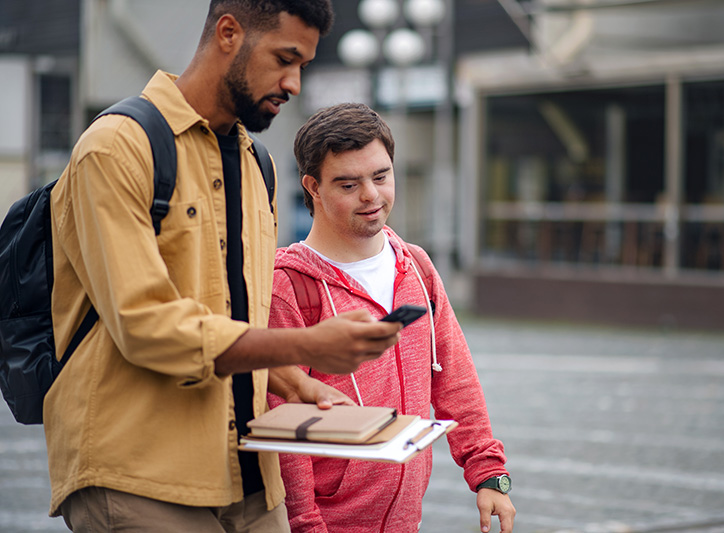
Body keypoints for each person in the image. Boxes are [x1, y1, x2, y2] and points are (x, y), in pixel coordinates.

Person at [46, 2, 401, 532]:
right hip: (139, 475)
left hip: (251, 472)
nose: (295, 83)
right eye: (285, 59)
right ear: (229, 33)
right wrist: (306, 346)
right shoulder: (116, 148)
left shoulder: (258, 164)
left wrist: (293, 382)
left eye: (302, 64)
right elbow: (145, 326)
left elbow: (232, 314)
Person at [267, 103, 516, 533]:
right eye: (349, 184)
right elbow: (285, 426)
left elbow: (453, 376)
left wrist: (488, 472)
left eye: (381, 176)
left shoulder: (415, 265)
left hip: (405, 519)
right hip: (326, 522)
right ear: (312, 187)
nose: (371, 195)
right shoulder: (287, 285)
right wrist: (306, 523)